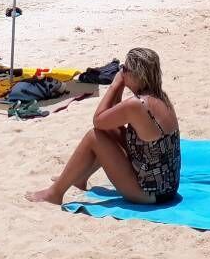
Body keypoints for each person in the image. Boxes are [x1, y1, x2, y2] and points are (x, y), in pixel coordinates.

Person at [27, 47, 179, 205]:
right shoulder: (160, 97)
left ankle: (55, 193)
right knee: (109, 129)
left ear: (136, 74)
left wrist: (115, 85)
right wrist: (121, 85)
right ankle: (80, 177)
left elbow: (98, 119)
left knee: (94, 136)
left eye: (124, 69)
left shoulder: (137, 104)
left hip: (148, 193)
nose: (121, 72)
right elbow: (112, 119)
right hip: (167, 186)